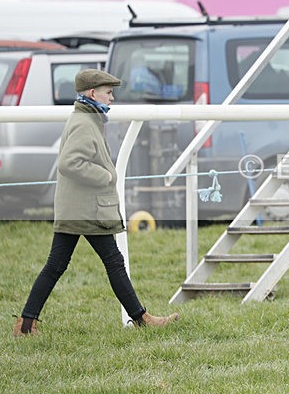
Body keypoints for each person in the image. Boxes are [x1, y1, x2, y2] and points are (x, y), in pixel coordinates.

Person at [12, 69, 179, 336]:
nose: (112, 98)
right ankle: (141, 318)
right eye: (108, 92)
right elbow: (70, 163)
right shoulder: (84, 122)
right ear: (92, 93)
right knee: (112, 261)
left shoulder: (87, 118)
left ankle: (26, 324)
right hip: (87, 209)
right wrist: (106, 176)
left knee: (57, 265)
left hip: (78, 207)